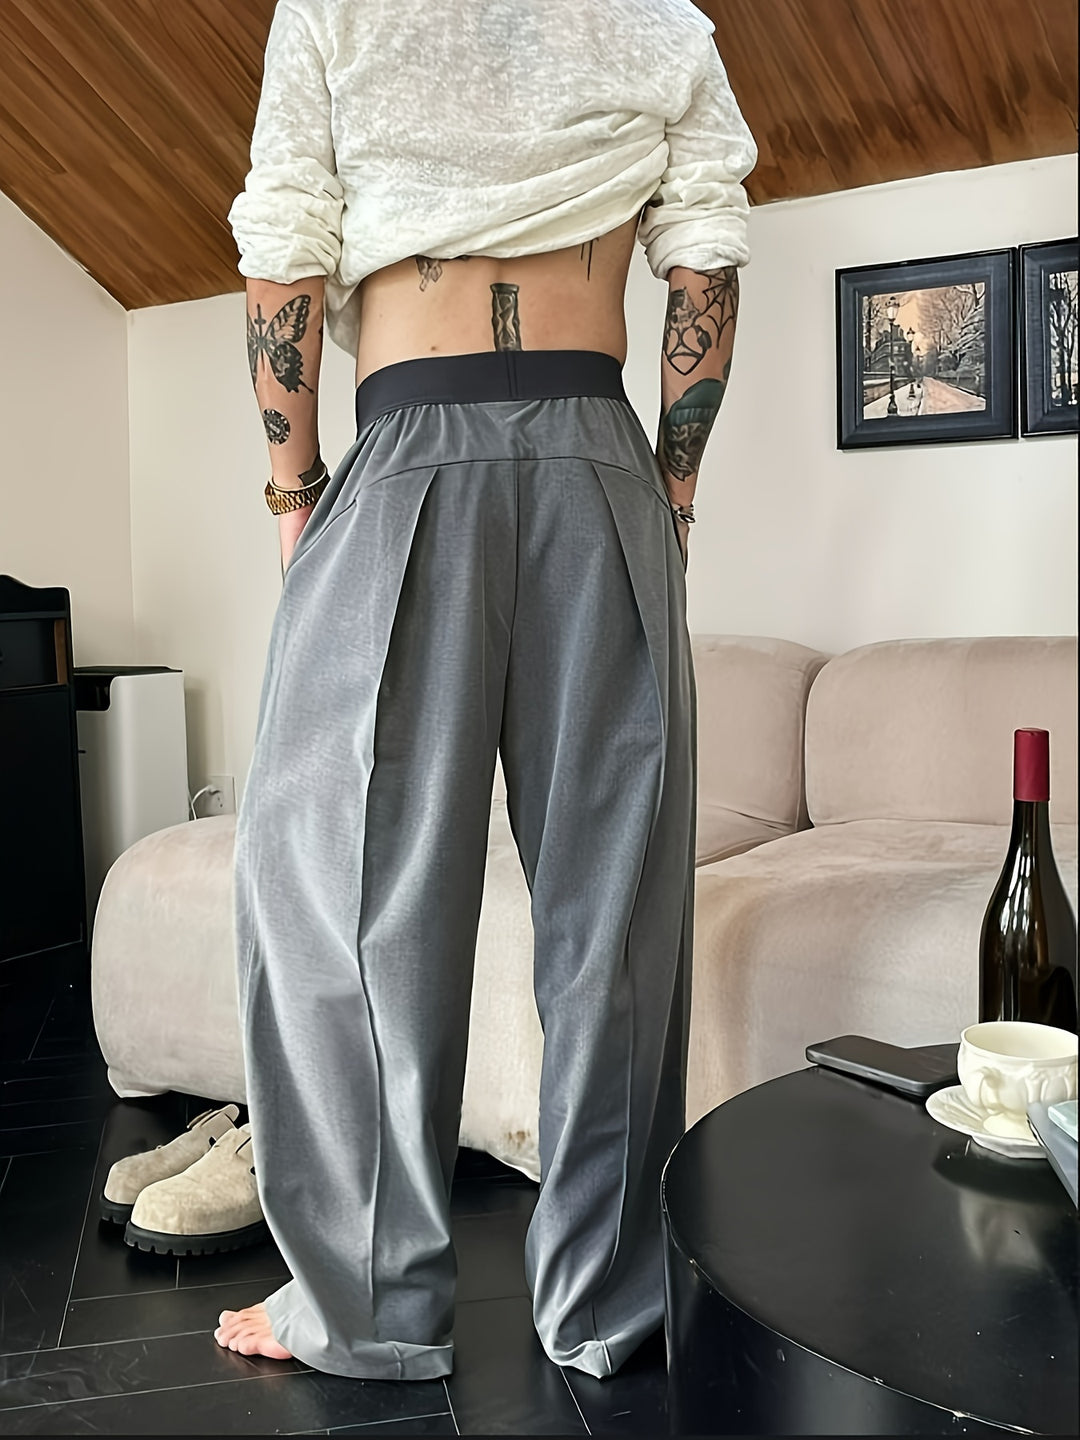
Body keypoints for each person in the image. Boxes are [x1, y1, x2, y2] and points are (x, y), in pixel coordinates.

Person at [215, 0, 757, 1381]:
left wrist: (294, 498)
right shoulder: (662, 21)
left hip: (405, 446)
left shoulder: (335, 10)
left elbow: (285, 255)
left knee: (347, 896)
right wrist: (671, 494)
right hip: (599, 453)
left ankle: (370, 1308)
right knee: (614, 908)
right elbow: (703, 261)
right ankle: (604, 1302)